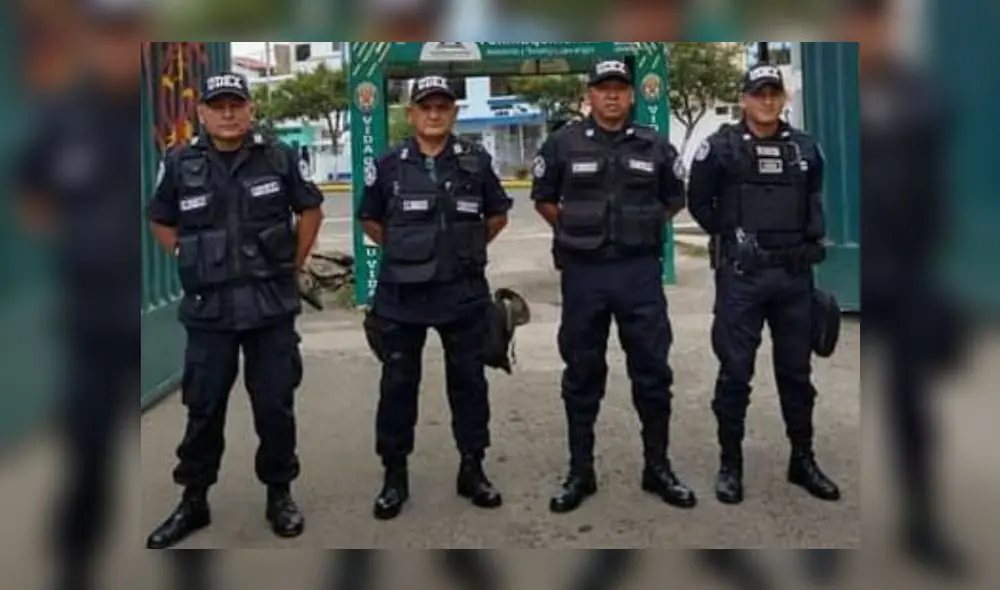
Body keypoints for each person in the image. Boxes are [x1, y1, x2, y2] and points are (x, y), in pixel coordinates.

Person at [144, 71, 324, 548]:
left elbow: (310, 209)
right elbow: (159, 217)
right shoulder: (180, 162)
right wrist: (184, 253)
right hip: (211, 310)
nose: (227, 113)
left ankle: (279, 494)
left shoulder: (279, 158)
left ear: (250, 110)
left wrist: (294, 263)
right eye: (218, 106)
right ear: (202, 112)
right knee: (203, 408)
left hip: (270, 306)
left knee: (275, 406)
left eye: (236, 105)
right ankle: (194, 500)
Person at [530, 59, 695, 514]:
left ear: (631, 95)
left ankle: (658, 468)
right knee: (582, 374)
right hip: (584, 275)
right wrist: (578, 231)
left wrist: (639, 228)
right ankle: (580, 472)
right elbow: (543, 199)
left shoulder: (654, 144)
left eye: (619, 88)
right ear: (590, 94)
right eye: (603, 88)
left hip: (639, 273)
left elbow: (673, 199)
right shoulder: (562, 143)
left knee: (652, 372)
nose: (612, 95)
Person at [357, 75, 512, 520]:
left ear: (454, 113)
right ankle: (394, 475)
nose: (433, 114)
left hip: (462, 292)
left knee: (469, 383)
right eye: (425, 106)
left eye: (442, 106)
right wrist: (412, 252)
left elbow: (497, 215)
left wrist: (458, 251)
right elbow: (371, 220)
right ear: (411, 114)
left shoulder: (475, 162)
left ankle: (472, 468)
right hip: (402, 295)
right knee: (397, 385)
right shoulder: (389, 165)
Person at [686, 63, 840, 505]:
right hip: (743, 278)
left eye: (774, 93)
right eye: (759, 93)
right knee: (736, 373)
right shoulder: (720, 148)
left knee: (797, 374)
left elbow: (813, 198)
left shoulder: (805, 149)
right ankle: (730, 465)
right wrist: (733, 242)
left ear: (784, 98)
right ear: (744, 99)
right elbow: (699, 202)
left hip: (793, 277)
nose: (767, 101)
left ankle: (803, 459)